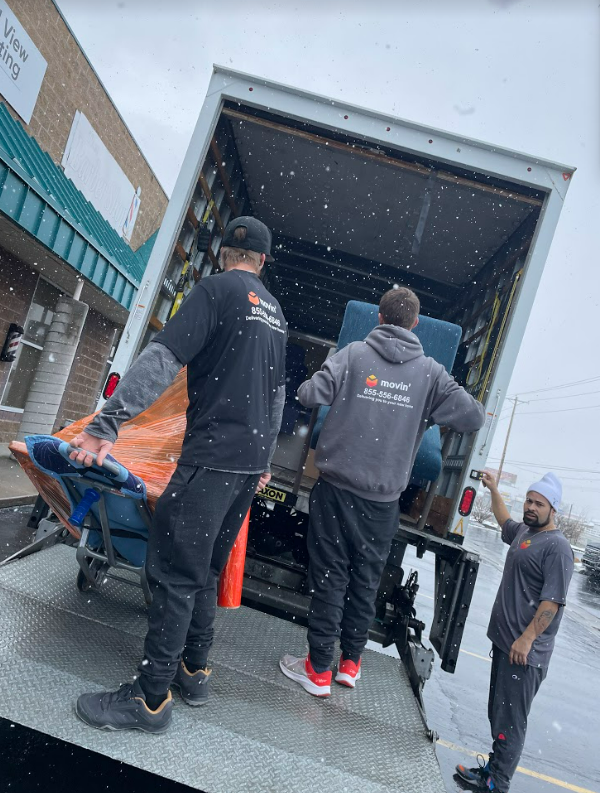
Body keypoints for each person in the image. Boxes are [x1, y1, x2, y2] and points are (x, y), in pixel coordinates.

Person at [72, 217, 287, 733]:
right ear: (262, 261)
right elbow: (276, 395)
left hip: (211, 459)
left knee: (173, 573)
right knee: (206, 570)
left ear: (223, 253)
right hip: (245, 466)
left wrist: (107, 424)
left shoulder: (215, 291)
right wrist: (263, 461)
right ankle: (194, 670)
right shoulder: (276, 314)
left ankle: (149, 700)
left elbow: (163, 359)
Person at [279, 286, 485, 696]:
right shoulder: (430, 373)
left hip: (336, 490)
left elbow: (309, 394)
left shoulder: (354, 355)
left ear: (378, 317)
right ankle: (349, 664)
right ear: (415, 324)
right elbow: (473, 416)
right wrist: (425, 412)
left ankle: (317, 669)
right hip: (383, 502)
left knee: (330, 576)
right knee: (365, 580)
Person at [455, 471, 574, 792]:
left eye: (539, 504)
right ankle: (492, 771)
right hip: (507, 645)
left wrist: (527, 638)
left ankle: (498, 782)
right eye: (529, 500)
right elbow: (503, 519)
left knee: (510, 720)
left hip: (525, 653)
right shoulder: (525, 531)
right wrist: (494, 489)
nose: (531, 507)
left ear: (553, 509)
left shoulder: (558, 547)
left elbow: (552, 602)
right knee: (499, 713)